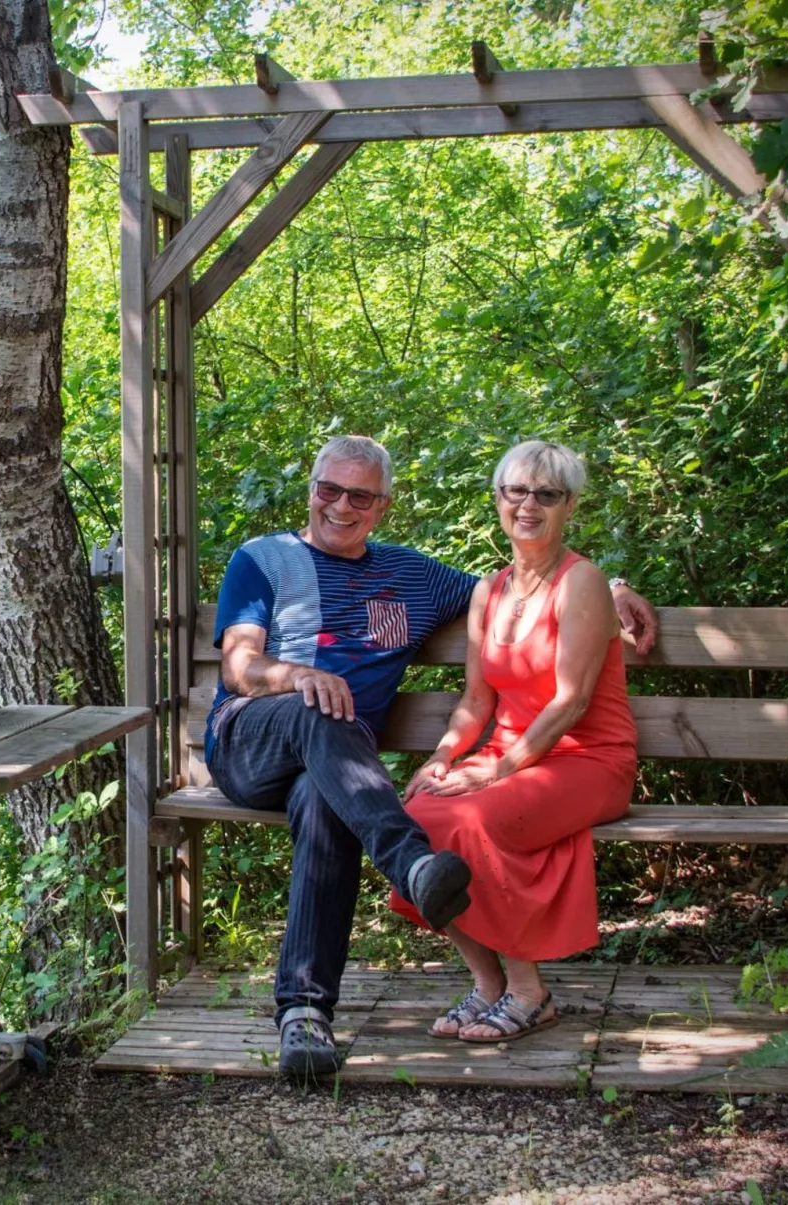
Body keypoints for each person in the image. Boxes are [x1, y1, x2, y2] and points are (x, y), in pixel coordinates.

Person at [206, 435, 656, 1080]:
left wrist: (608, 586)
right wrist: (294, 676)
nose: (340, 506)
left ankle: (304, 1013)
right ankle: (411, 862)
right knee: (322, 710)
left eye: (360, 496)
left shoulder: (413, 575)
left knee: (326, 798)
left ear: (383, 506)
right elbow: (241, 665)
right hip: (254, 737)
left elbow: (530, 576)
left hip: (339, 768)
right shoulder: (263, 559)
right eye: (328, 490)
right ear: (310, 490)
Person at [391, 440, 637, 1044]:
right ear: (498, 499)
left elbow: (571, 701)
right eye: (516, 492)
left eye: (546, 495)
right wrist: (445, 757)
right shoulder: (489, 591)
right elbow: (477, 700)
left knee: (476, 820)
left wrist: (495, 773)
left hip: (586, 759)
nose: (529, 505)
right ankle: (487, 983)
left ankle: (532, 993)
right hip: (510, 754)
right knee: (413, 818)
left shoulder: (581, 583)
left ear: (569, 505)